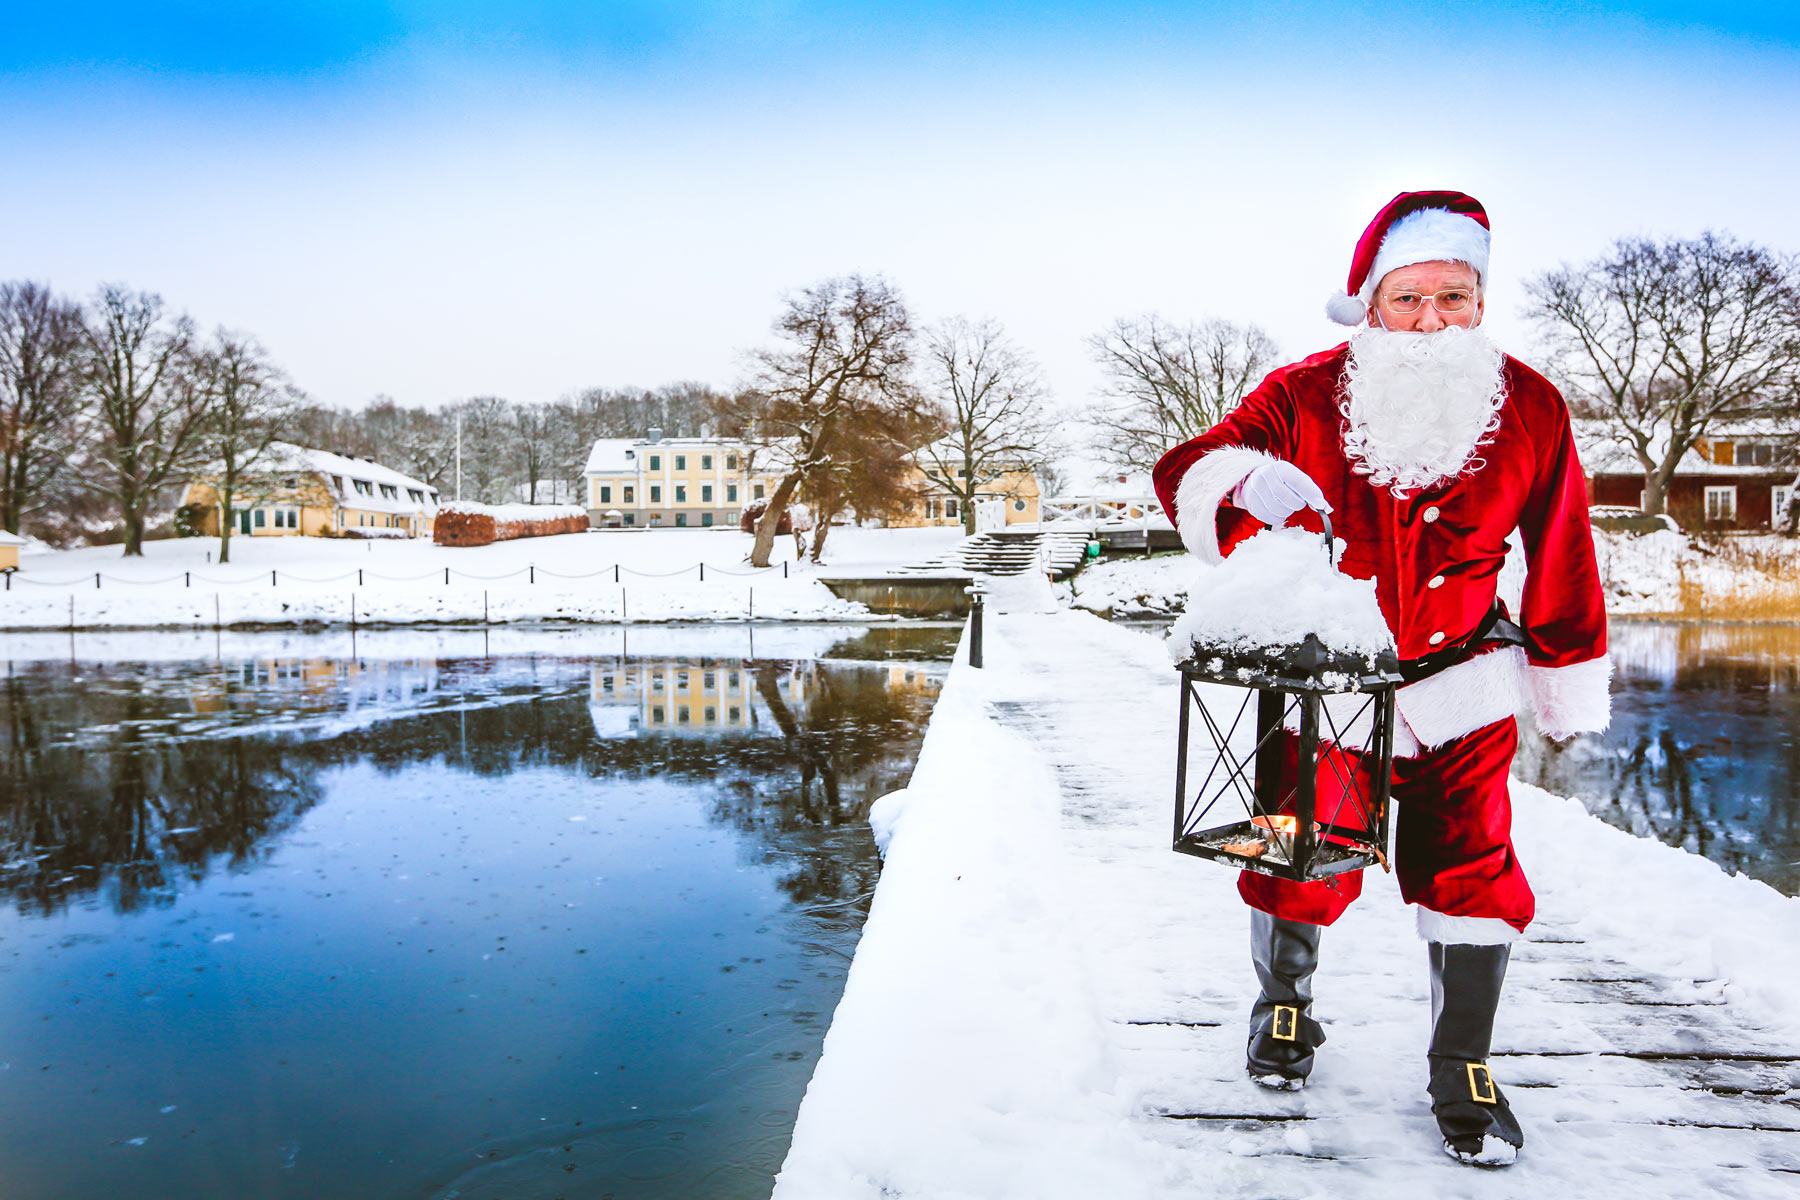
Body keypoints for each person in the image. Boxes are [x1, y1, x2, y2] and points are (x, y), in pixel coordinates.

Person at [1151, 190, 1610, 1168]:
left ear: (1481, 301)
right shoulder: (1302, 393)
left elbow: (1564, 542)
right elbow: (1188, 470)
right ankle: (1283, 1008)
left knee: (1473, 869)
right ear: (1369, 301)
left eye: (1456, 296)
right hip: (1328, 678)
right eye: (1410, 298)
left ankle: (1465, 1070)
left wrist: (1565, 665)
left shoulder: (1530, 402)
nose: (1434, 320)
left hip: (1465, 681)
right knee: (1292, 855)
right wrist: (1240, 484)